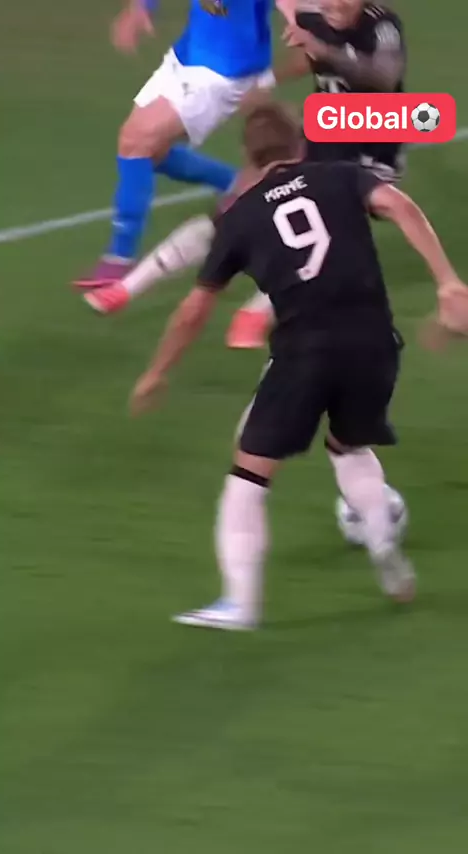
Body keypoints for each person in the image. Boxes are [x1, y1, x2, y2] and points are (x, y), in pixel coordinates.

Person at [128, 103, 468, 631]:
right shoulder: (341, 176)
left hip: (304, 353)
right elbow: (400, 206)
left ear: (249, 156)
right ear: (300, 147)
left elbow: (194, 310)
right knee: (348, 445)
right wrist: (447, 281)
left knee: (248, 474)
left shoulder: (240, 216)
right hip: (375, 343)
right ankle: (383, 545)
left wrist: (157, 372)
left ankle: (239, 603)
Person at [83, 0, 408, 321]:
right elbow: (305, 55)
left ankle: (258, 311)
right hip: (324, 124)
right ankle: (127, 288)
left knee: (335, 219)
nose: (334, 4)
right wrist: (268, 81)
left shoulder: (379, 24)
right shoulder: (316, 15)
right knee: (234, 210)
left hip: (374, 133)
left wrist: (318, 49)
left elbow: (385, 77)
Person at [73, 0, 296, 289]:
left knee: (136, 143)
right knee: (148, 151)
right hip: (187, 54)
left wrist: (295, 20)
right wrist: (141, 7)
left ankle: (120, 256)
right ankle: (236, 185)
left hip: (222, 71)